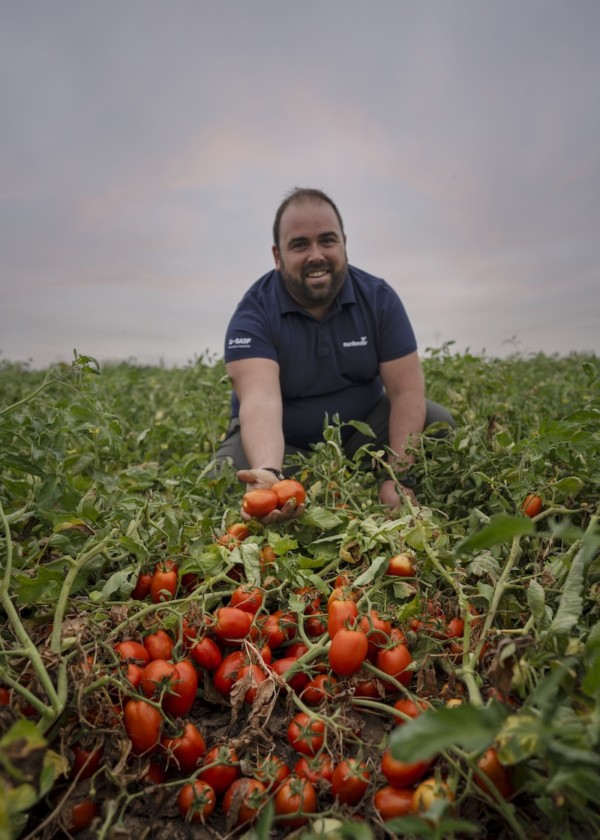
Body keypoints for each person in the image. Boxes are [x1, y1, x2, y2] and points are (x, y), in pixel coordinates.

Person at [216, 187, 455, 522]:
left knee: (438, 424)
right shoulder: (253, 315)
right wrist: (270, 475)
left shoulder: (379, 299)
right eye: (299, 245)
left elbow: (406, 392)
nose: (316, 255)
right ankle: (293, 482)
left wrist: (399, 478)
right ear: (277, 255)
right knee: (227, 477)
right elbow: (260, 400)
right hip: (286, 444)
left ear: (343, 243)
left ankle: (378, 481)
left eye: (327, 240)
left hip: (363, 436)